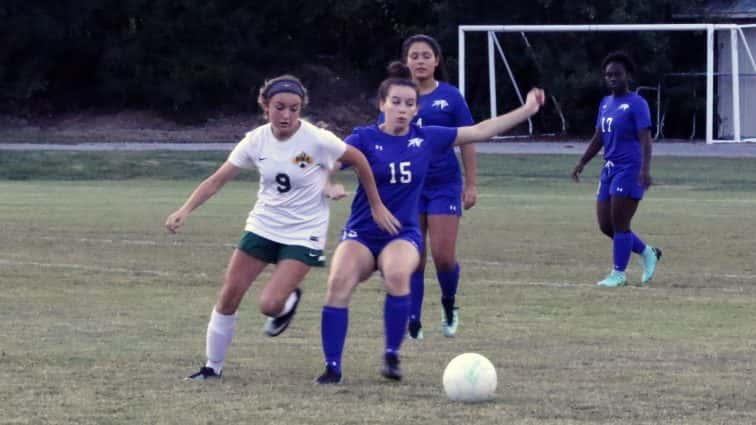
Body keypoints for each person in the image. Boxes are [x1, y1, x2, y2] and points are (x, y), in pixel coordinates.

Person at [316, 62, 544, 384]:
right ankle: (333, 367)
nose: (402, 109)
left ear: (416, 110)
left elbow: (480, 131)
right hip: (363, 232)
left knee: (397, 273)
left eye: (409, 104)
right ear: (382, 104)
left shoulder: (427, 138)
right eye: (395, 102)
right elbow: (330, 164)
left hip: (402, 233)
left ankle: (392, 356)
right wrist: (328, 186)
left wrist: (526, 110)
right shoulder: (363, 138)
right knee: (338, 282)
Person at [165, 75, 399, 381]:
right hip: (263, 225)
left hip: (304, 232)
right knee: (229, 294)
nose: (287, 115)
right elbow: (218, 179)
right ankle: (212, 368)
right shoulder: (255, 140)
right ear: (265, 106)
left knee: (269, 305)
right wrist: (185, 209)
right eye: (279, 107)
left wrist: (375, 204)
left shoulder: (317, 139)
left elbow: (360, 161)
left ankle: (288, 300)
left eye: (294, 108)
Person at [398, 34, 477, 340]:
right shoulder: (397, 96)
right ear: (406, 61)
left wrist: (470, 184)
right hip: (410, 188)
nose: (419, 61)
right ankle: (413, 320)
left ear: (436, 60)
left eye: (425, 55)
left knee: (443, 255)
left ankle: (449, 304)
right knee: (414, 256)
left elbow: (469, 138)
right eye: (414, 55)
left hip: (444, 185)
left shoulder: (450, 97)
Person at [571, 51, 662, 288]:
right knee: (606, 225)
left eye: (617, 74)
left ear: (627, 76)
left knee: (620, 222)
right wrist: (582, 161)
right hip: (609, 169)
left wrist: (645, 169)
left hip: (630, 168)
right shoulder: (605, 103)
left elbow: (645, 139)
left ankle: (618, 274)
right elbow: (599, 136)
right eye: (608, 75)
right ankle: (647, 252)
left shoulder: (637, 103)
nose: (612, 78)